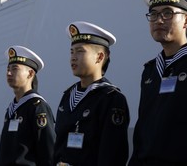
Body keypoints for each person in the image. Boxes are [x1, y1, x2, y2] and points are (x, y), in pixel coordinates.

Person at [129, 0, 187, 166]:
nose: (159, 20)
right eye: (153, 14)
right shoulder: (150, 71)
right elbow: (143, 127)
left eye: (168, 13)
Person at [54, 21, 130, 166]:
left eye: (80, 51)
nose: (73, 57)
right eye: (72, 51)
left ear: (100, 57)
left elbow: (112, 156)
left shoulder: (111, 99)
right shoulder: (68, 96)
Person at [0, 45, 55, 166]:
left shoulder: (37, 107)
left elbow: (48, 151)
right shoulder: (11, 109)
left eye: (15, 68)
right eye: (8, 68)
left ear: (30, 73)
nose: (8, 73)